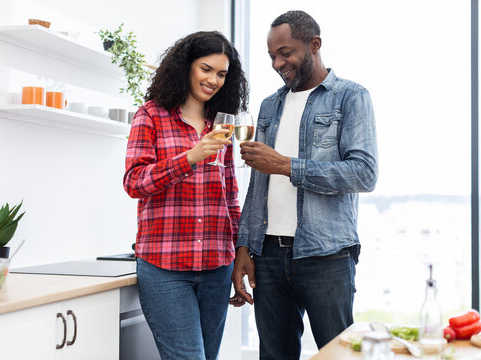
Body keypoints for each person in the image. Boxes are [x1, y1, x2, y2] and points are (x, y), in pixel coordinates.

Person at [230, 10, 378, 359]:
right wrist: (243, 248)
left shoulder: (350, 97)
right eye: (271, 56)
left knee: (338, 355)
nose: (277, 63)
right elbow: (257, 183)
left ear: (314, 44)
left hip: (327, 255)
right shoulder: (269, 106)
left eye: (285, 52)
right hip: (267, 256)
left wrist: (285, 165)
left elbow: (363, 173)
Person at [123, 31, 248, 360]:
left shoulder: (221, 126)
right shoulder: (150, 116)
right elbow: (134, 181)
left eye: (222, 74)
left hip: (217, 267)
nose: (213, 80)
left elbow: (230, 199)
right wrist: (189, 158)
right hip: (165, 267)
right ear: (186, 66)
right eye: (206, 69)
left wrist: (238, 258)